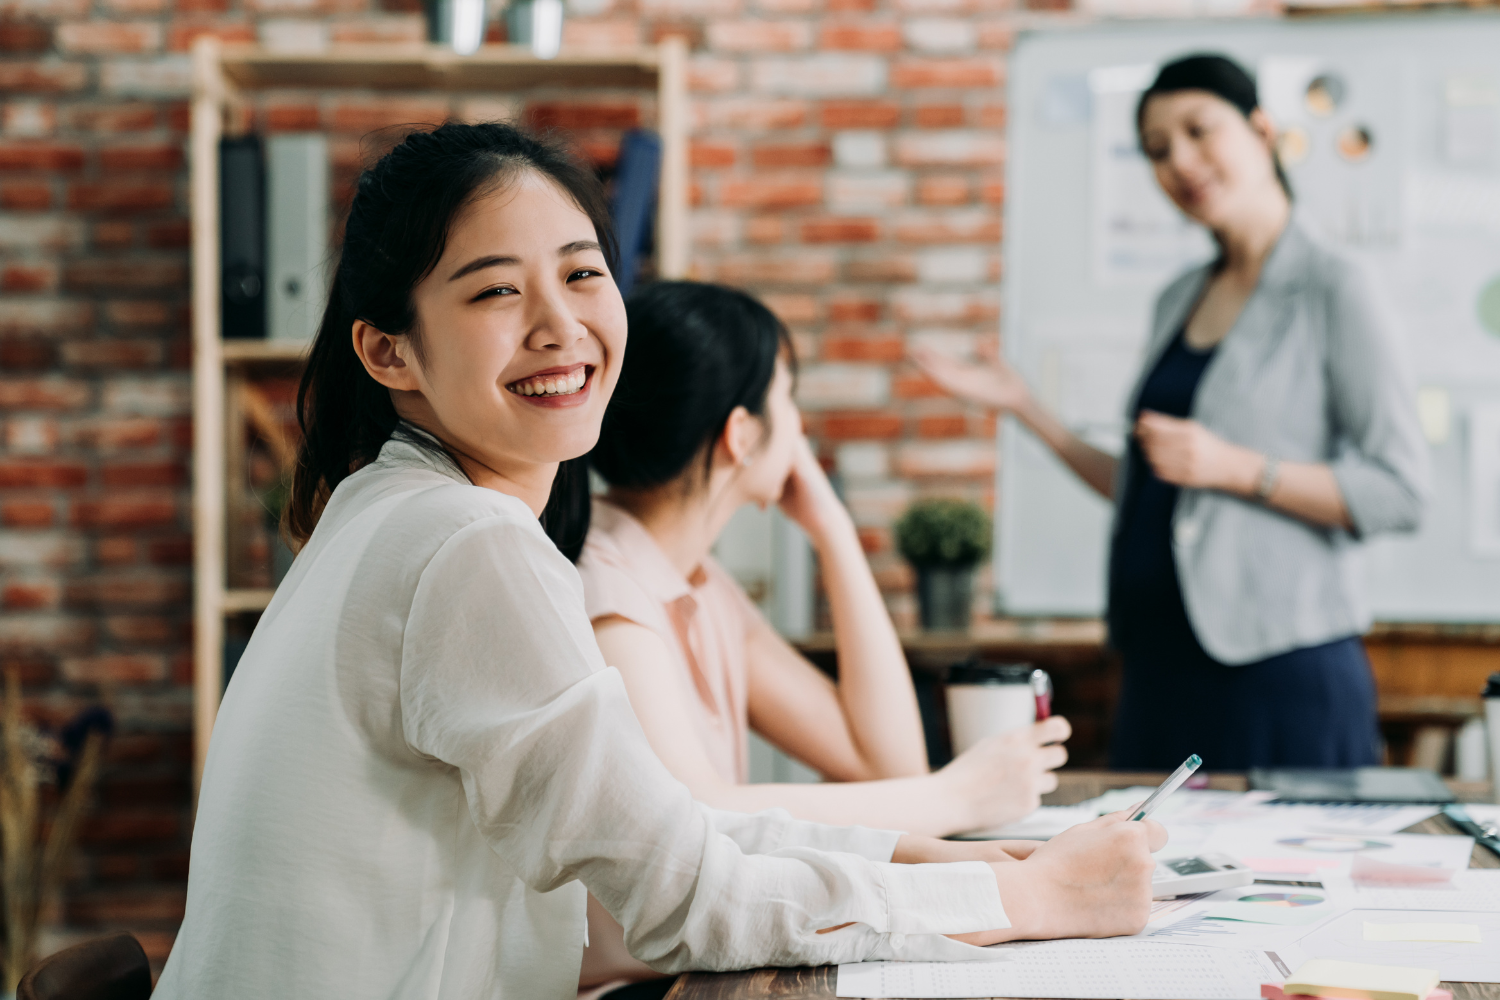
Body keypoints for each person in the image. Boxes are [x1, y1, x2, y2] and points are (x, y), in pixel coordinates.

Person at [153, 123, 1167, 999]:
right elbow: (689, 901)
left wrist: (969, 866)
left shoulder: (390, 509)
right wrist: (1024, 897)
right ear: (389, 353)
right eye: (498, 291)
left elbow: (666, 824)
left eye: (583, 272)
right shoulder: (464, 544)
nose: (562, 325)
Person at [916, 54, 1427, 772]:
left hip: (1278, 670)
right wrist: (1026, 408)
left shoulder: (1335, 286)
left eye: (1198, 130)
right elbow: (1151, 482)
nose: (1180, 161)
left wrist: (1236, 468)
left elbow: (1397, 492)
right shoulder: (1179, 294)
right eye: (1157, 150)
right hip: (1157, 663)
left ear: (1260, 128)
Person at [573, 281, 1071, 996]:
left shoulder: (693, 578)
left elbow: (881, 761)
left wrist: (834, 534)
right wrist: (954, 798)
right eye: (789, 399)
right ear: (742, 435)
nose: (800, 429)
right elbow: (696, 812)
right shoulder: (606, 585)